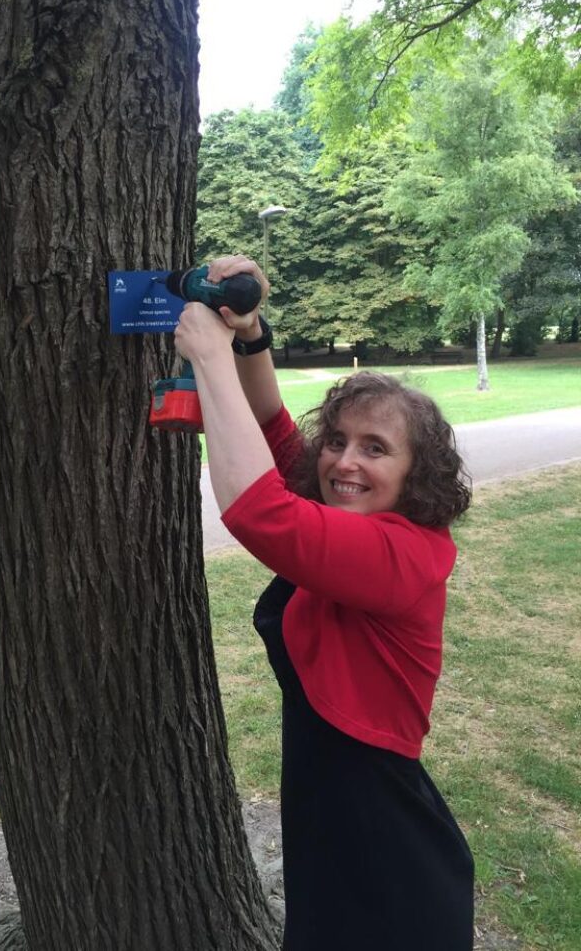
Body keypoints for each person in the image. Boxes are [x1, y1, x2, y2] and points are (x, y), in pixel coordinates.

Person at [174, 254, 475, 951]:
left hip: (385, 842)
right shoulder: (358, 521)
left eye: (376, 448)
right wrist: (248, 335)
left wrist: (211, 359)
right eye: (337, 440)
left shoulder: (403, 556)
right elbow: (277, 432)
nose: (344, 461)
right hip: (331, 812)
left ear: (415, 474)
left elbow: (260, 511)